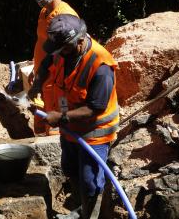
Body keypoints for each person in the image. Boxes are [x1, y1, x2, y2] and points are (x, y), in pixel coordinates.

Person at [29, 14, 119, 218]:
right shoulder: (64, 50)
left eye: (64, 49)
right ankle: (81, 208)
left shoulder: (101, 66)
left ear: (80, 41)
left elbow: (95, 108)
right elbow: (46, 64)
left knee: (90, 182)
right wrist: (36, 84)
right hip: (70, 129)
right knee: (69, 169)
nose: (60, 54)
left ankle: (92, 214)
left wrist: (59, 118)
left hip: (94, 134)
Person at [27, 0, 79, 136]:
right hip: (44, 76)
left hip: (58, 82)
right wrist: (36, 69)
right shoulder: (44, 12)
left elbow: (72, 55)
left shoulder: (66, 16)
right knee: (42, 116)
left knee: (57, 121)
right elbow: (42, 43)